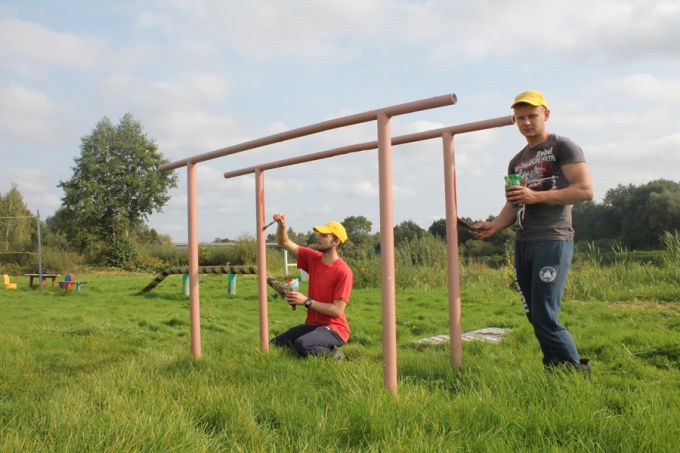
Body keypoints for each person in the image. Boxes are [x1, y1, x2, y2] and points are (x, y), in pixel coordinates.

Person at [473, 90, 593, 371]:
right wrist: (493, 225)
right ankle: (555, 369)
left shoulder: (564, 146)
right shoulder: (516, 161)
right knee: (534, 315)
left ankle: (574, 373)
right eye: (520, 118)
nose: (526, 122)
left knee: (546, 315)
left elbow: (585, 190)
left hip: (553, 238)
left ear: (546, 115)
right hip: (524, 240)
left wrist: (536, 197)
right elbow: (514, 204)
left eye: (532, 116)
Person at [270, 213, 354, 360]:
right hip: (313, 325)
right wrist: (281, 225)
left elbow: (337, 310)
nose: (319, 238)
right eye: (319, 234)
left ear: (336, 242)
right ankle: (320, 346)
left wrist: (306, 301)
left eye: (324, 236)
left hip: (335, 329)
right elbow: (284, 242)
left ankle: (336, 356)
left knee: (303, 344)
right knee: (275, 344)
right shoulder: (313, 258)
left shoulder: (344, 271)